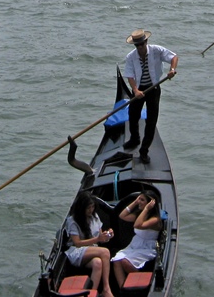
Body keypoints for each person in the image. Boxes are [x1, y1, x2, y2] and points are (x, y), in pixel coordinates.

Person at [122, 29, 178, 166]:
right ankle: (135, 139)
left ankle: (144, 150)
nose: (140, 47)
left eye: (141, 44)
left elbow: (174, 57)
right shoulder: (130, 57)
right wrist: (135, 90)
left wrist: (172, 70)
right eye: (137, 45)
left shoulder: (156, 50)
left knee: (151, 121)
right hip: (139, 89)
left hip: (153, 87)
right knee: (132, 114)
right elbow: (129, 75)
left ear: (146, 42)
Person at [63, 191, 116, 297]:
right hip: (76, 251)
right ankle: (106, 288)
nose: (91, 210)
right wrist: (97, 239)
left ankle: (92, 292)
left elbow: (100, 238)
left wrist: (108, 235)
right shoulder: (73, 221)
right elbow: (77, 243)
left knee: (98, 263)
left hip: (92, 249)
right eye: (88, 208)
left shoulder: (94, 217)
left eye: (92, 207)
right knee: (105, 252)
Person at [112, 192, 162, 288]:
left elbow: (137, 225)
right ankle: (122, 288)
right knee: (117, 260)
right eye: (139, 199)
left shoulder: (155, 219)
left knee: (125, 262)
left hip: (146, 248)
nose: (139, 202)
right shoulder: (139, 215)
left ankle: (141, 284)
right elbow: (122, 216)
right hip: (135, 245)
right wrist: (135, 202)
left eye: (142, 200)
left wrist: (146, 209)